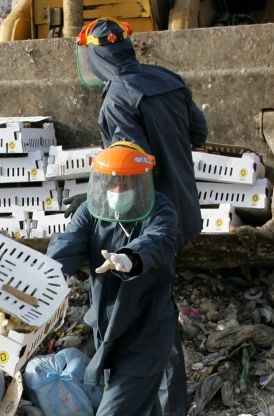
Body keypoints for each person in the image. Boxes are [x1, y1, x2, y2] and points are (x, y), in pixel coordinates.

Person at [66, 17, 209, 415]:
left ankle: (139, 401)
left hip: (149, 220)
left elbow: (127, 174)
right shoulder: (167, 78)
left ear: (96, 57)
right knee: (158, 305)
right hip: (182, 207)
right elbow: (198, 131)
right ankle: (166, 404)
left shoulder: (117, 99)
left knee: (143, 315)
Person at [48, 142, 178, 415]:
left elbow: (159, 240)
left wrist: (130, 258)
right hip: (107, 332)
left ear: (141, 184)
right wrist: (46, 276)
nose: (118, 192)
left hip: (145, 336)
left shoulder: (160, 210)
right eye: (112, 185)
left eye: (126, 185)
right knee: (143, 406)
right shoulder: (92, 212)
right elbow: (67, 245)